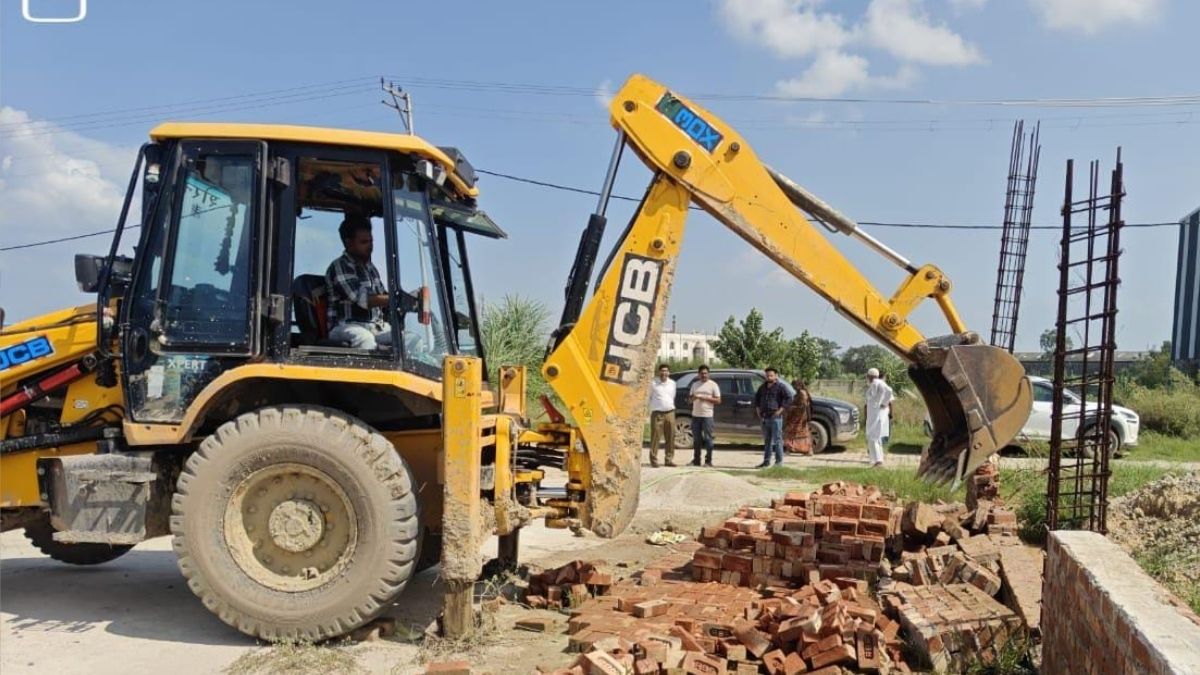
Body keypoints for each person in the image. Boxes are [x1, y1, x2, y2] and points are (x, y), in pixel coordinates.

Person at [325, 214, 392, 350]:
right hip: (345, 326)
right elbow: (363, 300)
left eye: (371, 241)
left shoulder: (371, 268)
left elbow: (383, 297)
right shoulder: (339, 266)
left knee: (408, 340)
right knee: (365, 339)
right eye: (364, 242)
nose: (370, 246)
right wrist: (395, 299)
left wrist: (408, 300)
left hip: (374, 326)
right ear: (348, 243)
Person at [754, 367, 793, 468]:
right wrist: (758, 409)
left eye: (771, 375)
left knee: (777, 440)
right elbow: (757, 399)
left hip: (775, 418)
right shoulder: (762, 387)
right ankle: (766, 462)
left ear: (776, 376)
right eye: (767, 375)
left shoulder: (781, 387)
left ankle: (779, 462)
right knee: (767, 441)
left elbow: (789, 398)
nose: (769, 377)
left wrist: (781, 409)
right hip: (764, 417)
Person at [688, 365, 721, 467]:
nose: (704, 375)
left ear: (709, 374)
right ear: (698, 374)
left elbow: (718, 400)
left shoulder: (713, 385)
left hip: (707, 416)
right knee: (697, 439)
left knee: (708, 439)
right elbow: (689, 400)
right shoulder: (695, 385)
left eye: (706, 373)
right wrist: (695, 397)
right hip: (696, 415)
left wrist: (705, 398)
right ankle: (696, 460)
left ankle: (708, 461)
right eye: (702, 373)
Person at [648, 365, 677, 468]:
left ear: (669, 372)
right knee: (656, 437)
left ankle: (669, 460)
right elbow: (649, 397)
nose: (664, 373)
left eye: (666, 371)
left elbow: (672, 397)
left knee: (670, 437)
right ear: (658, 372)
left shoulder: (672, 383)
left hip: (670, 413)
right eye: (662, 371)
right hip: (657, 413)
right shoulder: (653, 383)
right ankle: (653, 460)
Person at [864, 367, 894, 467]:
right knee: (876, 438)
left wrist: (883, 403)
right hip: (876, 414)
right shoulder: (880, 383)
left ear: (869, 376)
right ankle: (877, 459)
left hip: (875, 415)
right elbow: (889, 391)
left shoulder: (875, 383)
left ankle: (878, 461)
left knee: (873, 437)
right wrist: (884, 403)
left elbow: (889, 391)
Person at [783, 378, 814, 455]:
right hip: (796, 416)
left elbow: (803, 406)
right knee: (796, 433)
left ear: (799, 385)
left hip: (799, 417)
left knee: (794, 432)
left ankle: (804, 449)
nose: (793, 387)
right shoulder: (800, 393)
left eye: (794, 386)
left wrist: (792, 407)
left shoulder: (802, 393)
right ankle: (792, 449)